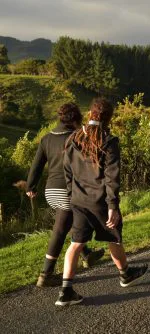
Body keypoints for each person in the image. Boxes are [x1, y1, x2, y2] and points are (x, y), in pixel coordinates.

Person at [57, 98, 147, 306]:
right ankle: (125, 274)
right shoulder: (108, 141)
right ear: (109, 118)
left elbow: (67, 171)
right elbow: (111, 177)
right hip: (100, 202)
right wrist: (113, 206)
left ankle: (66, 291)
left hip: (78, 200)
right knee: (113, 237)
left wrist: (73, 194)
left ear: (90, 114)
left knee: (76, 243)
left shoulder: (73, 138)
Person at [26, 103, 104, 288]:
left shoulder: (46, 139)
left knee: (71, 221)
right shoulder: (75, 137)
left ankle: (87, 254)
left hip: (50, 191)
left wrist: (30, 186)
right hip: (67, 190)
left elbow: (36, 166)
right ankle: (46, 274)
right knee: (60, 229)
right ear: (76, 119)